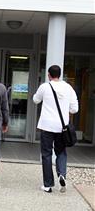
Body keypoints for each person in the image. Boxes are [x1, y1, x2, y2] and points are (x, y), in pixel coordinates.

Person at [33, 65, 78, 193]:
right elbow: (74, 109)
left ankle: (48, 185)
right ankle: (62, 174)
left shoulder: (44, 87)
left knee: (46, 154)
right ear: (60, 74)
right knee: (61, 152)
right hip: (62, 127)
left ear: (49, 75)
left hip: (47, 126)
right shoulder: (68, 88)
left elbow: (35, 100)